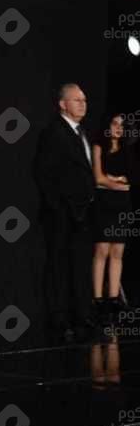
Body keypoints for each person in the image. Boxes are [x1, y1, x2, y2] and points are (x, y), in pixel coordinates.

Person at [34, 83, 96, 344]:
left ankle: (82, 317)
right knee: (59, 267)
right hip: (61, 215)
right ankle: (59, 320)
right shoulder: (54, 133)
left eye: (85, 100)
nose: (83, 104)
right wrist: (60, 208)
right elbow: (44, 174)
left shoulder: (81, 132)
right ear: (62, 104)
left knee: (79, 266)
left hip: (82, 214)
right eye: (77, 100)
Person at [91, 112, 132, 331]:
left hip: (122, 205)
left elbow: (130, 179)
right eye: (115, 123)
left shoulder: (126, 151)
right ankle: (98, 301)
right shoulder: (99, 147)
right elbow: (98, 178)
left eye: (122, 125)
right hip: (104, 204)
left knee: (117, 252)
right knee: (102, 251)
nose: (118, 128)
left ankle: (114, 299)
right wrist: (117, 183)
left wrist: (113, 181)